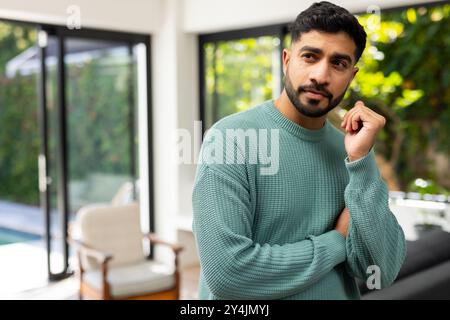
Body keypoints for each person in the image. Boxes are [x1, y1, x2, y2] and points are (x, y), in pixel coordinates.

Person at [192, 1, 406, 300]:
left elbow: (380, 272)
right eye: (310, 56)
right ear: (286, 60)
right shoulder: (231, 140)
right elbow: (228, 274)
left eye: (338, 63)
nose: (321, 75)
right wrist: (336, 242)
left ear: (351, 75)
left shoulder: (349, 154)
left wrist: (361, 161)